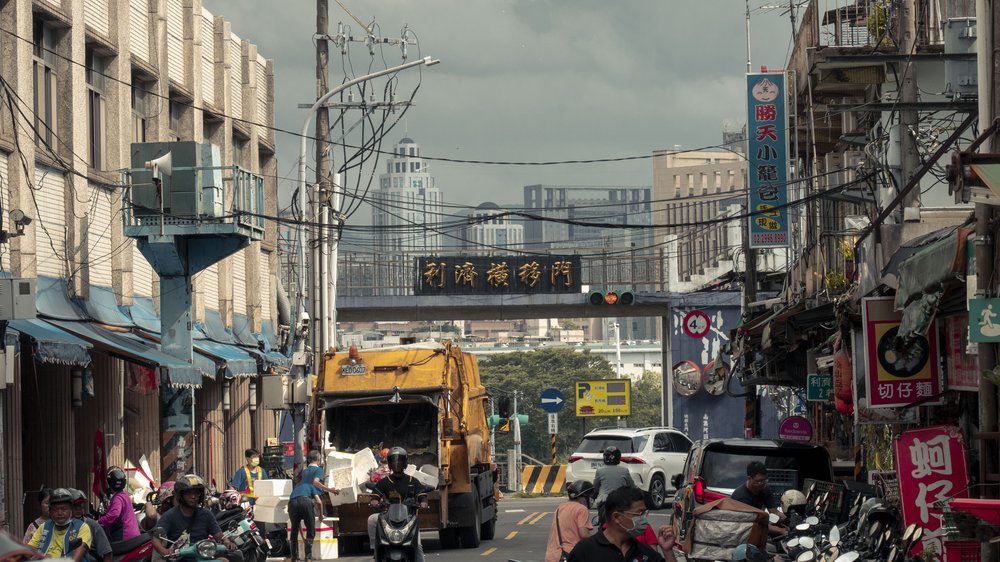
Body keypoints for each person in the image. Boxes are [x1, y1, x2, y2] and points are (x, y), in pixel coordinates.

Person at [567, 486, 677, 562]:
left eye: (644, 513)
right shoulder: (585, 550)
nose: (643, 519)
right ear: (617, 517)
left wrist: (667, 551)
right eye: (639, 513)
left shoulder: (644, 552)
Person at [150, 474, 239, 562]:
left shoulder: (206, 514)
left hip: (202, 557)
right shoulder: (169, 516)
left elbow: (218, 535)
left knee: (224, 560)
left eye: (196, 493)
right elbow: (156, 539)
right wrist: (164, 551)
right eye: (189, 493)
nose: (193, 496)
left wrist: (227, 542)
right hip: (178, 559)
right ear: (181, 495)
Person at [367, 447, 428, 562]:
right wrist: (375, 502)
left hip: (409, 518)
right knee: (372, 519)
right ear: (389, 463)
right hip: (388, 517)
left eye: (399, 460)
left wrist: (423, 502)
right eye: (393, 461)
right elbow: (375, 496)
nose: (396, 463)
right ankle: (375, 550)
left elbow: (422, 495)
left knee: (418, 546)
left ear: (405, 462)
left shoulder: (413, 481)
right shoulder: (384, 482)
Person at [288, 451, 339, 562]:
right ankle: (308, 557)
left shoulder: (303, 476)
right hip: (305, 502)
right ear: (318, 459)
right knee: (311, 528)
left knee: (294, 529)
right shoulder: (316, 475)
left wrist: (303, 537)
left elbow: (313, 479)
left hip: (292, 502)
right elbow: (317, 492)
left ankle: (294, 557)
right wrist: (331, 490)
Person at [26, 488, 93, 562]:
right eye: (55, 509)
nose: (59, 513)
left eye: (64, 509)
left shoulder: (82, 527)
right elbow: (29, 549)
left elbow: (75, 558)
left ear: (71, 509)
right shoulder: (44, 527)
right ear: (50, 511)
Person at [729, 461, 785, 535]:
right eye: (759, 481)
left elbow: (774, 512)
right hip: (741, 530)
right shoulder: (741, 497)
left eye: (765, 480)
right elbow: (752, 524)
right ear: (749, 478)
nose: (763, 483)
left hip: (756, 524)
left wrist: (788, 520)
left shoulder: (765, 488)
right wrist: (781, 530)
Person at [544, 481, 594, 562]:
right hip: (569, 555)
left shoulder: (560, 508)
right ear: (583, 496)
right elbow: (584, 535)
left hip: (552, 555)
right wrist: (598, 540)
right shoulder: (581, 509)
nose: (591, 499)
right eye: (589, 495)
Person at [592, 446, 635, 523]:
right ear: (618, 457)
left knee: (601, 522)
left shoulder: (600, 471)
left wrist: (594, 495)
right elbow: (632, 486)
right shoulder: (624, 470)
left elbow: (595, 488)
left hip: (604, 502)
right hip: (620, 502)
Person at [98, 467, 141, 542]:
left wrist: (99, 522)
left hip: (125, 537)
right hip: (133, 535)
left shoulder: (117, 498)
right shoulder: (124, 495)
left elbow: (114, 514)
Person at [69, 489, 113, 562]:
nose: (78, 509)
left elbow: (107, 554)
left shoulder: (92, 525)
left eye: (80, 506)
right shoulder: (55, 527)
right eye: (74, 506)